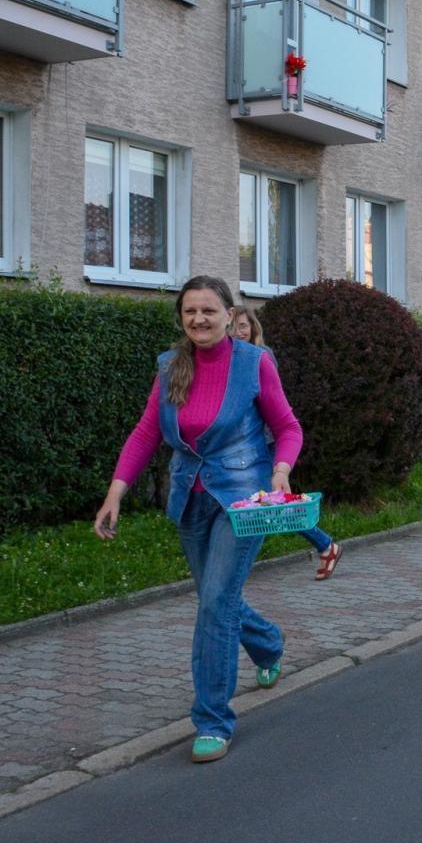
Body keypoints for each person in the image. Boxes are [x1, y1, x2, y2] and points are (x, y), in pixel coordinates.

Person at [95, 276, 305, 764]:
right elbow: (147, 431)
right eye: (190, 312)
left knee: (214, 602)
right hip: (190, 498)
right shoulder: (171, 367)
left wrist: (280, 469)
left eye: (208, 310)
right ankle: (269, 644)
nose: (199, 320)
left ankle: (212, 720)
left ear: (230, 315)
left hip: (243, 497)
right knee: (219, 599)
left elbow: (287, 426)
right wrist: (115, 494)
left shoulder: (255, 362)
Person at [229, 306, 343, 581]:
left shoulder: (261, 356)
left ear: (253, 328)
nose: (238, 333)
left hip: (263, 443)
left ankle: (325, 544)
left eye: (243, 326)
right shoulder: (227, 358)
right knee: (258, 503)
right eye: (233, 327)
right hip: (240, 445)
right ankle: (325, 545)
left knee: (269, 502)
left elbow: (271, 405)